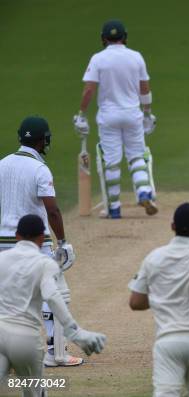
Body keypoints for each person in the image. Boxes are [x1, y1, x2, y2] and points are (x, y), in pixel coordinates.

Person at [0, 116, 83, 367]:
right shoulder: (39, 169)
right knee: (53, 292)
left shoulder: (2, 164)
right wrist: (64, 241)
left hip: (4, 241)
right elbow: (53, 210)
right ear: (41, 140)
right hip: (36, 242)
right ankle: (55, 352)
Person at [0, 215, 106, 397]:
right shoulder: (45, 264)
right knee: (35, 392)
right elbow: (53, 297)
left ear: (17, 236)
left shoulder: (2, 258)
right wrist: (75, 332)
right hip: (26, 340)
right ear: (42, 238)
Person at [129, 203, 189, 397]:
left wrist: (162, 296)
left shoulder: (153, 257)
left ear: (172, 226)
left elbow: (136, 302)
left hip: (168, 341)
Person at [74, 19, 158, 219]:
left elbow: (88, 90)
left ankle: (114, 208)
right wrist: (147, 113)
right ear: (125, 37)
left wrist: (81, 114)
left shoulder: (98, 59)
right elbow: (144, 88)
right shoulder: (136, 57)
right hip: (132, 114)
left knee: (111, 162)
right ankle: (143, 192)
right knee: (136, 156)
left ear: (104, 39)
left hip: (109, 116)